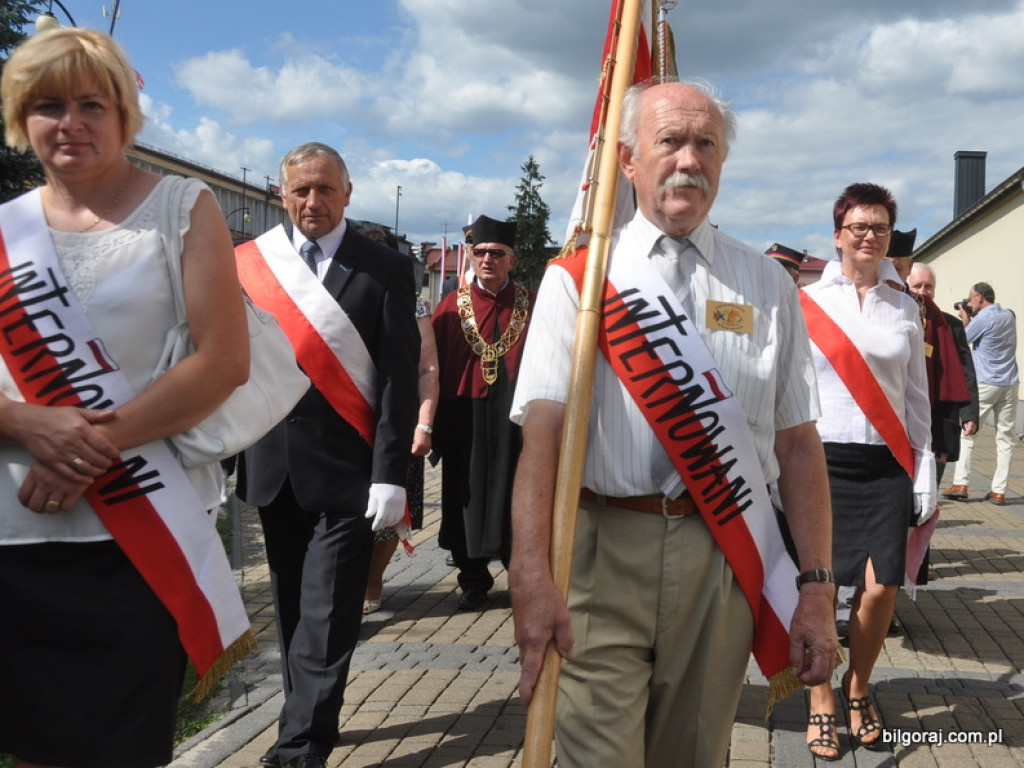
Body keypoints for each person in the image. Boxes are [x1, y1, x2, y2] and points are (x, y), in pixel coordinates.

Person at [509, 80, 837, 768]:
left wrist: (816, 586)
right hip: (598, 555)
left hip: (721, 555)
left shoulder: (768, 284)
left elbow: (799, 446)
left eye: (706, 144)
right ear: (628, 160)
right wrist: (530, 573)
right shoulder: (579, 281)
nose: (689, 159)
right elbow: (541, 434)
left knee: (691, 755)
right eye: (670, 141)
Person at [0, 28, 251, 768]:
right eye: (48, 105)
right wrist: (24, 421)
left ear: (123, 115)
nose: (69, 122)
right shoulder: (5, 229)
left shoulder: (182, 205)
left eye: (90, 104)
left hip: (139, 538)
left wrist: (83, 447)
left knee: (121, 749)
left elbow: (222, 363)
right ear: (21, 118)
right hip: (15, 538)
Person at [235, 142, 419, 768]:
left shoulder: (384, 268)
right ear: (281, 196)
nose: (312, 201)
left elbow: (398, 380)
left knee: (329, 609)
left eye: (324, 189)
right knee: (291, 609)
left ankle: (299, 747)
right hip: (271, 465)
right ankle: (306, 716)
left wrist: (392, 476)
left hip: (350, 469)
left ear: (347, 192)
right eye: (299, 191)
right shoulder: (249, 264)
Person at [801, 183, 936, 759]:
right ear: (838, 235)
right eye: (858, 226)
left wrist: (925, 466)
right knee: (820, 586)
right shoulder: (805, 301)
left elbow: (915, 401)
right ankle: (820, 698)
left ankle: (859, 683)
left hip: (884, 464)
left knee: (882, 588)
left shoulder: (904, 306)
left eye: (879, 227)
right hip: (819, 461)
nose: (869, 236)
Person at [431, 214, 535, 610]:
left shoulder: (532, 302)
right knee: (465, 497)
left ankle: (521, 576)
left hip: (516, 417)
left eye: (497, 253)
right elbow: (434, 367)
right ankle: (472, 580)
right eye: (480, 253)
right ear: (471, 257)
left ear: (511, 259)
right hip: (465, 417)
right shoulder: (450, 307)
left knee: (517, 495)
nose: (487, 259)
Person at [364, 292, 439, 613]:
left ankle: (372, 580)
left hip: (396, 417)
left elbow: (428, 368)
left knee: (394, 503)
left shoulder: (414, 303)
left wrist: (424, 425)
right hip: (346, 414)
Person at [943, 281, 1019, 505]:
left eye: (970, 299)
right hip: (1010, 383)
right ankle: (999, 490)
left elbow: (961, 340)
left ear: (979, 297)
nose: (969, 303)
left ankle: (961, 483)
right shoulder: (1008, 316)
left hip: (986, 382)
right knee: (1005, 439)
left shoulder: (984, 318)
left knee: (968, 432)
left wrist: (965, 319)